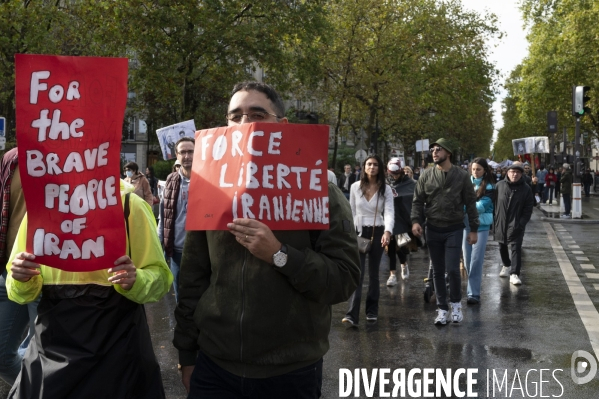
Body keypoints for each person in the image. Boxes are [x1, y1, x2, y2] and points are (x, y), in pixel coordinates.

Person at [173, 81, 360, 398]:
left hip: (290, 371)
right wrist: (187, 354)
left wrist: (279, 254)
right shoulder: (210, 192)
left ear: (282, 126)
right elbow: (192, 278)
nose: (244, 124)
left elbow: (344, 278)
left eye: (256, 114)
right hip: (215, 368)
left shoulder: (320, 192)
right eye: (235, 116)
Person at [6, 179, 173, 398]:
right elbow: (18, 289)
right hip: (52, 350)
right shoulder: (41, 210)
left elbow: (160, 278)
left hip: (118, 350)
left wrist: (136, 279)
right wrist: (21, 277)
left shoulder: (130, 206)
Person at [411, 138, 479, 325]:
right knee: (437, 271)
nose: (434, 152)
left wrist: (473, 229)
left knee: (452, 270)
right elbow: (417, 201)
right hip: (432, 228)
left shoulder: (462, 175)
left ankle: (456, 305)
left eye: (438, 149)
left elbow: (470, 203)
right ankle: (442, 309)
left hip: (454, 228)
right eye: (433, 149)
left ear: (448, 153)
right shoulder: (426, 175)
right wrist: (416, 221)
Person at [0, 148, 37, 386]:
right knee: (2, 357)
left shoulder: (71, 155)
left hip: (47, 277)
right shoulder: (11, 158)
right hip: (9, 272)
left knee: (45, 356)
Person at [343, 154, 393, 324]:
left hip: (378, 230)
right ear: (364, 167)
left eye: (375, 165)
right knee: (358, 272)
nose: (372, 167)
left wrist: (388, 231)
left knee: (374, 274)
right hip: (359, 232)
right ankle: (352, 315)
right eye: (369, 164)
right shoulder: (355, 187)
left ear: (380, 168)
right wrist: (350, 232)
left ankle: (372, 311)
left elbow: (389, 212)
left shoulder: (385, 189)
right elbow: (351, 211)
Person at [158, 137, 195, 303]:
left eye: (190, 151)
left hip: (201, 251)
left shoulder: (208, 180)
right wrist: (160, 246)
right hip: (177, 252)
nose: (187, 156)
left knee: (202, 296)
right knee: (180, 298)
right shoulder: (171, 181)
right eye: (183, 152)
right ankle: (183, 328)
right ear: (177, 156)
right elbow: (163, 215)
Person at [494, 162, 534, 285]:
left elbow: (528, 208)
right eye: (512, 172)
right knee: (502, 245)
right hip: (501, 221)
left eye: (517, 172)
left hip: (516, 221)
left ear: (521, 174)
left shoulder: (526, 188)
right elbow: (494, 203)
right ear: (507, 173)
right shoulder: (499, 185)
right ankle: (506, 265)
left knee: (516, 247)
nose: (515, 174)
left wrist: (521, 223)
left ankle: (514, 273)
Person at [462, 158, 495, 305]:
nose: (475, 172)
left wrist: (463, 206)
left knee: (476, 260)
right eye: (473, 169)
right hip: (465, 225)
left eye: (479, 169)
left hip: (481, 226)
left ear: (485, 170)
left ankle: (473, 293)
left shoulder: (489, 187)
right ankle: (472, 288)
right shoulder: (464, 183)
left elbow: (481, 207)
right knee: (468, 260)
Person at [385, 158, 415, 285]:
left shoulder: (410, 183)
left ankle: (403, 263)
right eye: (392, 174)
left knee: (400, 247)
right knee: (390, 246)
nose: (395, 176)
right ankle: (392, 274)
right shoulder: (385, 182)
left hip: (402, 218)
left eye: (397, 174)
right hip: (388, 217)